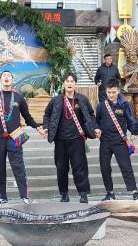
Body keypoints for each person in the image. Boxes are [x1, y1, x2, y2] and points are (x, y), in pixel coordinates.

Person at [0, 70, 43, 205]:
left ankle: (24, 197)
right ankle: (3, 197)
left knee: (19, 167)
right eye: (4, 76)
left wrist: (38, 127)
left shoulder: (19, 98)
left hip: (14, 139)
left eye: (9, 76)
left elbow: (27, 117)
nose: (6, 78)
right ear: (0, 80)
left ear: (12, 80)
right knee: (0, 167)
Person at [43, 72, 101, 203]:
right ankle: (64, 194)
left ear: (75, 84)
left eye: (72, 81)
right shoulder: (56, 100)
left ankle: (83, 194)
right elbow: (47, 114)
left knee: (80, 167)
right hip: (60, 140)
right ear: (63, 84)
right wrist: (46, 127)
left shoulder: (82, 99)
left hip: (77, 139)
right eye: (67, 81)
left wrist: (95, 127)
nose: (69, 83)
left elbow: (91, 115)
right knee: (61, 168)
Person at [95, 78, 138, 202]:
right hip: (105, 141)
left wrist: (134, 131)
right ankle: (110, 193)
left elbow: (130, 120)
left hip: (120, 141)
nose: (111, 95)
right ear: (106, 92)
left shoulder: (124, 104)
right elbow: (97, 122)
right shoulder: (101, 106)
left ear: (118, 91)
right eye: (109, 92)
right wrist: (96, 129)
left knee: (126, 167)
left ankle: (135, 193)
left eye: (113, 92)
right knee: (105, 167)